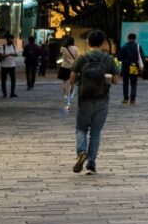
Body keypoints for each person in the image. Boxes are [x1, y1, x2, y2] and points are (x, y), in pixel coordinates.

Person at [65, 30, 119, 174]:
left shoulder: (81, 59)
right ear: (102, 43)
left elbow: (71, 80)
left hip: (84, 100)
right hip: (102, 99)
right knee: (95, 133)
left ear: (88, 42)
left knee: (81, 129)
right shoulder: (109, 59)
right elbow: (116, 81)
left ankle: (81, 151)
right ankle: (91, 165)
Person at [117, 33, 143, 105]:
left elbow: (118, 58)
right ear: (135, 38)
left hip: (125, 66)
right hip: (134, 66)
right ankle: (132, 100)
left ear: (128, 38)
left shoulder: (124, 46)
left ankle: (125, 99)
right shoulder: (138, 46)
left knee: (125, 83)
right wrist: (140, 67)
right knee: (133, 84)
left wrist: (117, 68)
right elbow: (141, 57)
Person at [56, 35, 79, 100]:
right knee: (72, 82)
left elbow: (60, 55)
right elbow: (77, 57)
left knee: (65, 82)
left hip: (64, 66)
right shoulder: (76, 48)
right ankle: (71, 95)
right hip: (73, 67)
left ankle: (65, 95)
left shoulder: (63, 48)